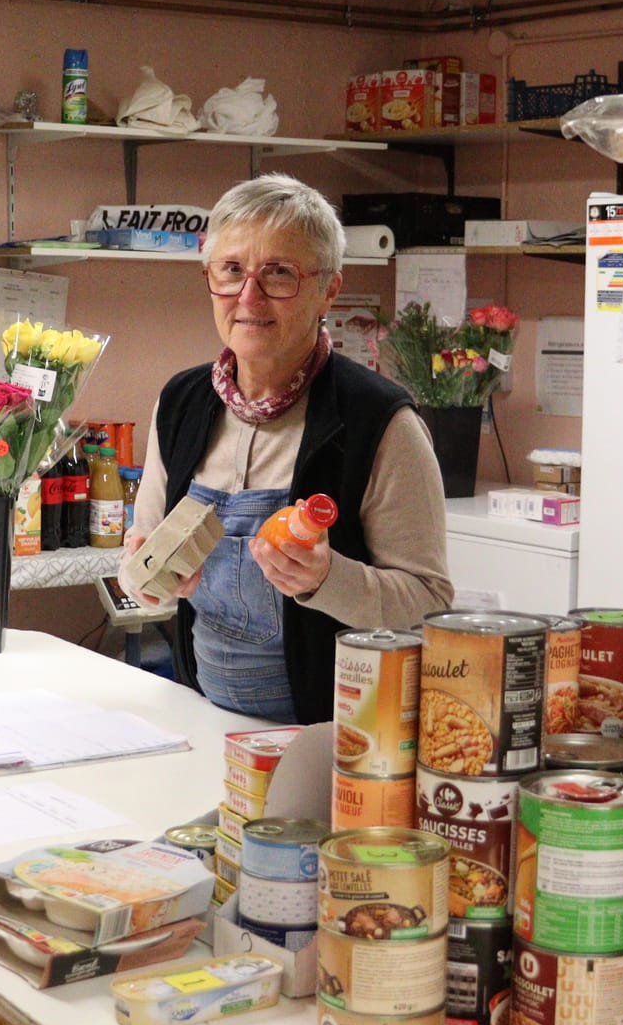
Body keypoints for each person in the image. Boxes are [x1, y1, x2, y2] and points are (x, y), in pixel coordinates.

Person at [120, 174, 452, 724]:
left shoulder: (380, 422)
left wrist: (326, 580)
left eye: (279, 273)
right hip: (206, 718)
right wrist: (147, 580)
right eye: (231, 270)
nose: (248, 298)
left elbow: (429, 602)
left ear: (329, 290)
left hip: (337, 736)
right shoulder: (180, 403)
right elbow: (141, 559)